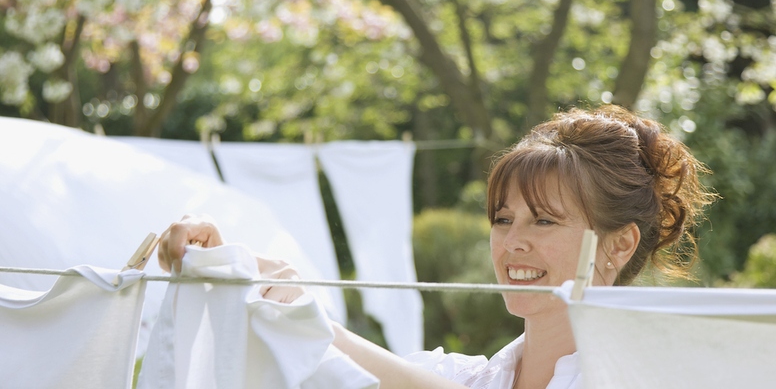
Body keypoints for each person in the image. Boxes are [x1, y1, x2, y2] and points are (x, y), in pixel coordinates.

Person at [157, 105, 715, 389]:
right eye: (503, 219)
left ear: (617, 245)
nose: (513, 243)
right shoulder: (472, 377)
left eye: (543, 221)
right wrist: (238, 270)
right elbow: (339, 362)